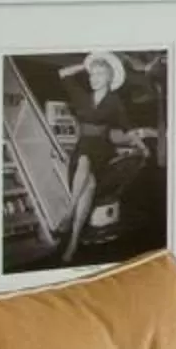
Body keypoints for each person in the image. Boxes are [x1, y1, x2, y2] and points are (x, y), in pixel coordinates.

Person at [60, 51, 151, 263]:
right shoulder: (81, 95)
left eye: (100, 74)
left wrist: (142, 146)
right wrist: (85, 65)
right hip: (83, 147)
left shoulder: (114, 102)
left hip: (101, 151)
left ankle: (70, 216)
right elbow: (63, 73)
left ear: (109, 78)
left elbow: (128, 129)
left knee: (88, 180)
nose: (94, 78)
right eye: (92, 75)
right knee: (87, 183)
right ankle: (73, 239)